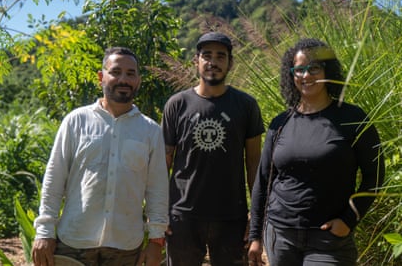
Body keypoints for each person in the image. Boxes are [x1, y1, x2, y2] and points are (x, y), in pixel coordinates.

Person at [248, 38, 385, 266]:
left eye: (314, 68)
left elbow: (376, 176)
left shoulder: (352, 118)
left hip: (329, 240)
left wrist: (350, 219)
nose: (306, 75)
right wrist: (255, 237)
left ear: (327, 70)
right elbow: (263, 183)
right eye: (299, 69)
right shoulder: (280, 123)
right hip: (281, 235)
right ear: (291, 75)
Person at [32, 47, 169, 266]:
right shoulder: (76, 121)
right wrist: (44, 232)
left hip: (124, 248)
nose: (123, 79)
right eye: (115, 72)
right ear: (101, 76)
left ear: (138, 81)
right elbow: (54, 178)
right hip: (74, 241)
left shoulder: (150, 131)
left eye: (130, 74)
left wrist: (156, 241)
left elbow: (157, 190)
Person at [161, 32, 265, 266]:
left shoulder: (246, 105)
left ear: (230, 63)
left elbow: (254, 164)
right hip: (182, 216)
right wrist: (160, 211)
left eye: (221, 56)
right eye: (206, 55)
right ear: (196, 61)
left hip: (231, 217)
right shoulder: (177, 104)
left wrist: (256, 217)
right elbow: (163, 162)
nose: (213, 62)